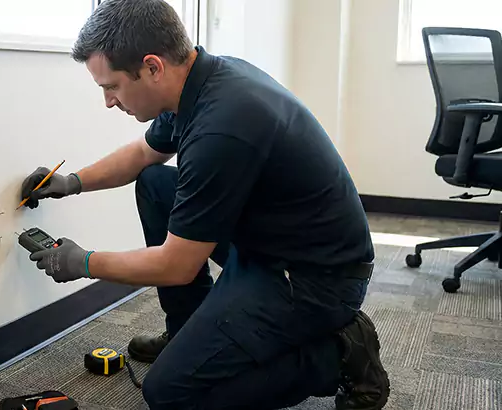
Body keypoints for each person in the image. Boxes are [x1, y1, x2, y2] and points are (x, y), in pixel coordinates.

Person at [19, 0, 389, 409]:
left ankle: (337, 354)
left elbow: (176, 266)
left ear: (152, 67)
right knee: (156, 182)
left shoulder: (223, 126)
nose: (108, 101)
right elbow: (141, 155)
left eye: (112, 86)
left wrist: (82, 262)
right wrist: (71, 183)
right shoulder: (197, 82)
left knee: (171, 394)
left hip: (314, 279)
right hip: (271, 243)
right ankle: (186, 329)